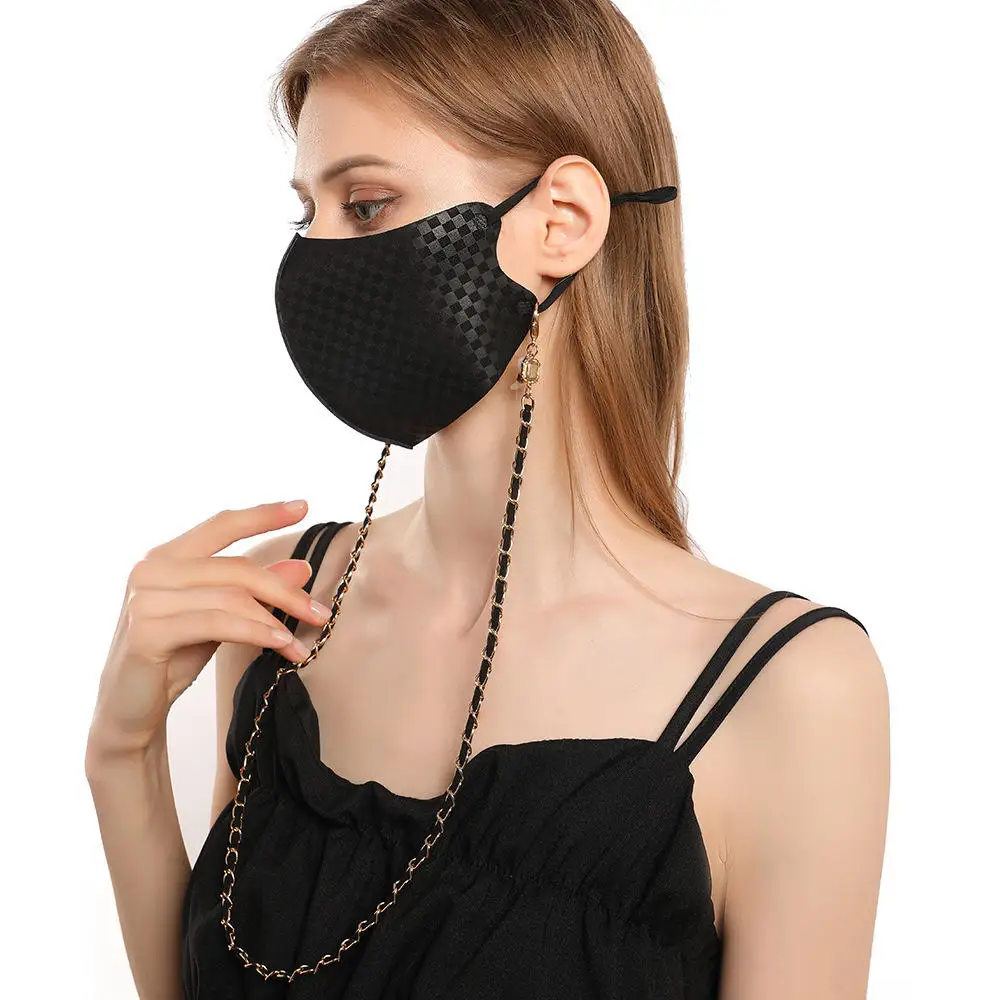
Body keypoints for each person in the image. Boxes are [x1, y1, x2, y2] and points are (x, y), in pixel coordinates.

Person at [84, 2, 890, 998]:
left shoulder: (793, 691)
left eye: (365, 205)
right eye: (306, 213)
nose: (315, 257)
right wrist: (122, 753)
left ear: (561, 221)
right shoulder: (281, 606)